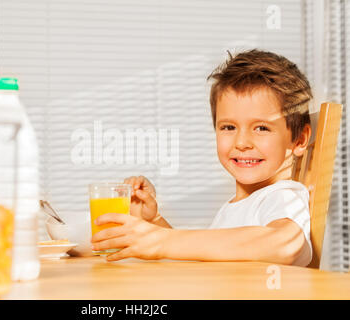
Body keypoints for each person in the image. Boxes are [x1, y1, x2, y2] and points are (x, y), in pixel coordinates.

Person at [91, 49, 313, 267]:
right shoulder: (235, 207)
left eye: (262, 128)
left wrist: (160, 240)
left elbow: (285, 245)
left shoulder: (283, 196)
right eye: (228, 127)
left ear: (299, 140)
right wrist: (154, 222)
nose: (242, 142)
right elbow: (202, 258)